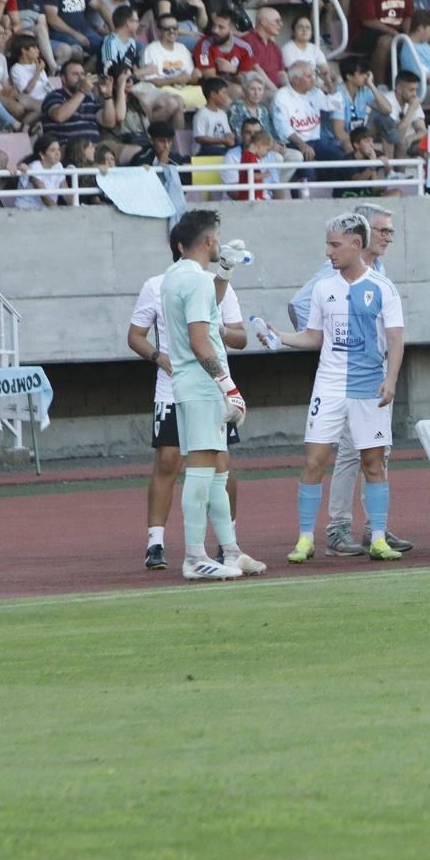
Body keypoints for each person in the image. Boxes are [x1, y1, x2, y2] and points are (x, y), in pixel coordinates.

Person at [269, 213, 407, 564]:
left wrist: (390, 380)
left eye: (334, 245)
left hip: (368, 390)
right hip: (328, 387)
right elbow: (314, 336)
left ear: (356, 244)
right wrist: (280, 337)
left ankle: (377, 536)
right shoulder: (322, 287)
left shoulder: (382, 288)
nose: (328, 252)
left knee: (373, 462)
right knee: (314, 461)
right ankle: (305, 539)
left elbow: (395, 338)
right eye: (328, 244)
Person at [126, 229, 248, 570]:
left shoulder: (203, 282)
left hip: (205, 386)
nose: (215, 242)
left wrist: (224, 276)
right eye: (211, 238)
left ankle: (228, 546)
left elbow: (235, 336)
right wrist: (160, 358)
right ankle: (170, 547)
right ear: (185, 246)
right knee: (176, 463)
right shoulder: (164, 283)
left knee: (219, 465)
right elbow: (147, 336)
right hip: (189, 385)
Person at [158, 209, 260, 581]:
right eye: (218, 237)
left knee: (217, 473)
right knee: (201, 472)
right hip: (202, 388)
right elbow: (202, 343)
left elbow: (206, 307)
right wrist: (230, 389)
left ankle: (230, 551)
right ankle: (194, 556)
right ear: (211, 241)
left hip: (187, 385)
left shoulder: (176, 276)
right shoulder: (196, 281)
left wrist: (226, 273)